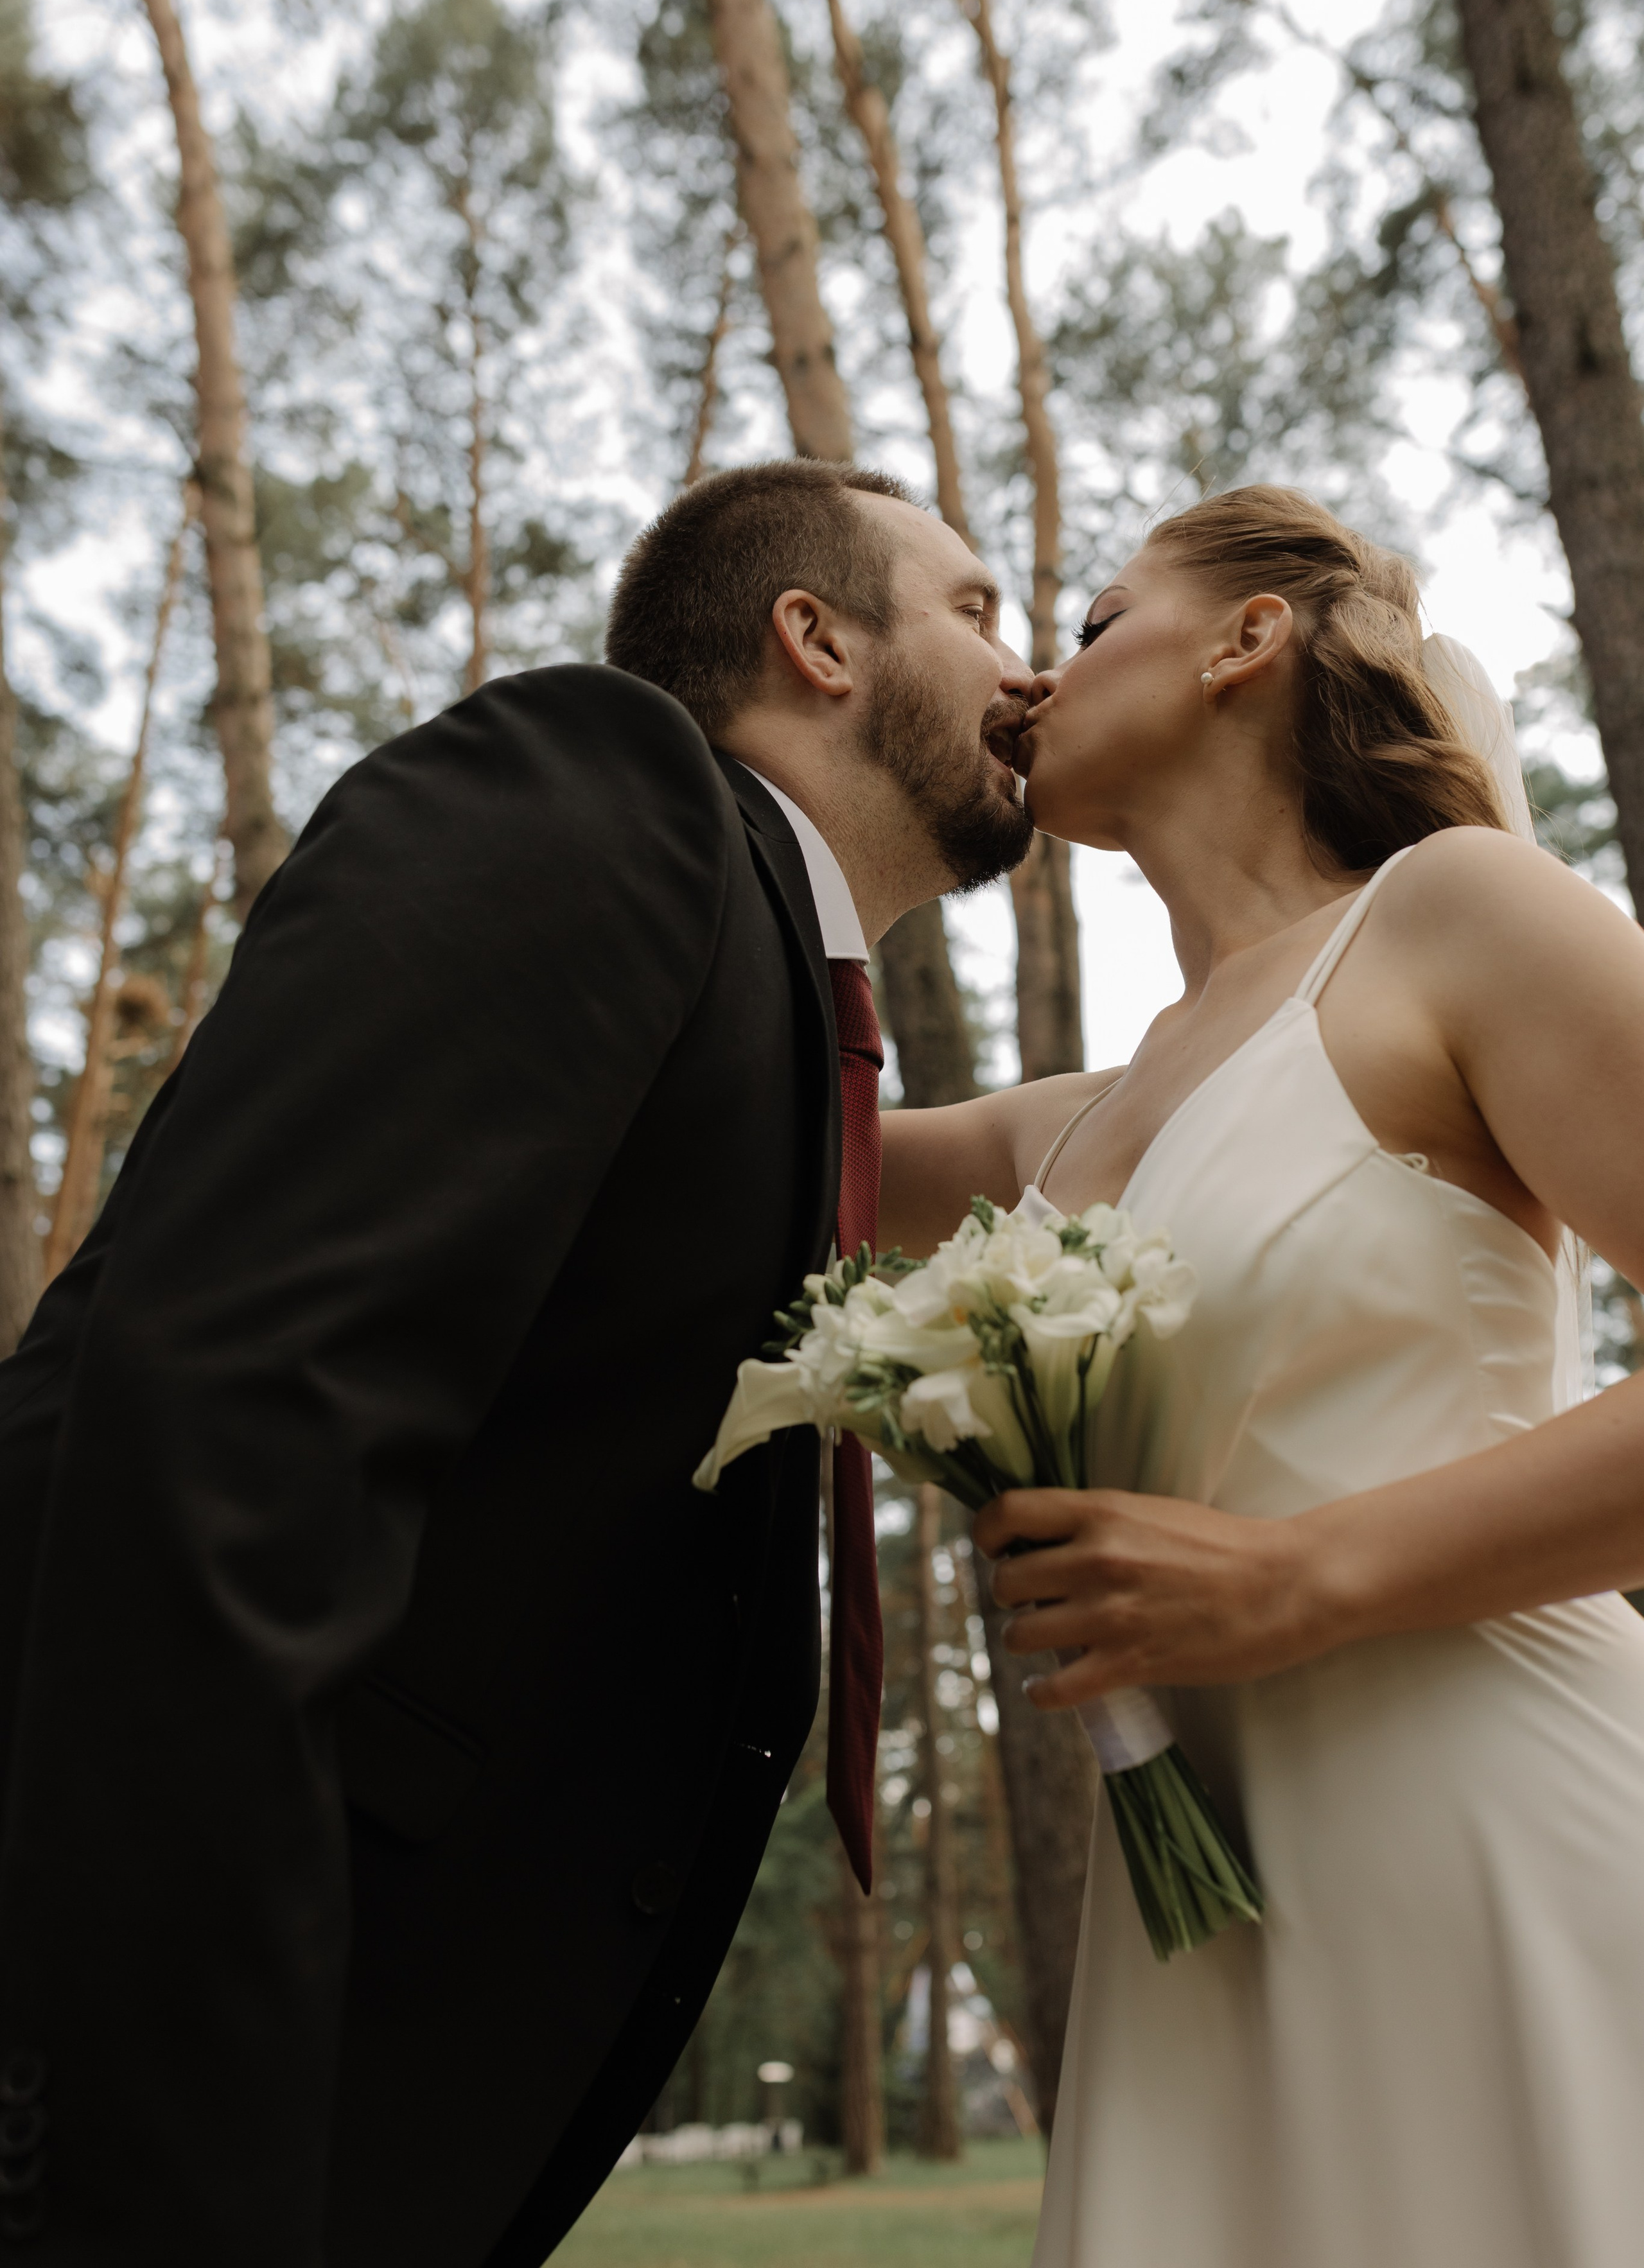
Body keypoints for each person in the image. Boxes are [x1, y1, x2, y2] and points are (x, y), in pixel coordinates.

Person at [0, 457, 1032, 2267]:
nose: (1025, 669)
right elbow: (239, 1415)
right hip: (149, 2059)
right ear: (819, 641)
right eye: (977, 608)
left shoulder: (788, 1020)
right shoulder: (606, 787)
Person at [881, 483, 1644, 2268]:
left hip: (1504, 1842)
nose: (1032, 681)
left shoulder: (1454, 919)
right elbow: (734, 1142)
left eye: (1086, 625)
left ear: (1247, 640)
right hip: (1208, 1940)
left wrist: (1301, 1576)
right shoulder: (1065, 1131)